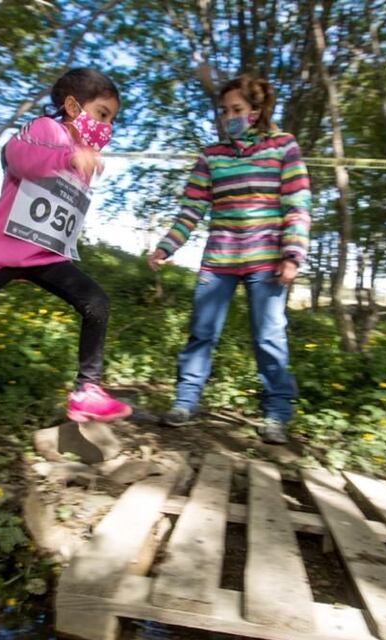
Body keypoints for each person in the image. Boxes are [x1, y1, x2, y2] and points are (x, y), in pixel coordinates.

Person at [0, 68, 131, 424]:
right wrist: (67, 158)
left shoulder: (84, 155)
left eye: (112, 120)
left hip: (44, 257)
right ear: (72, 107)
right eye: (102, 114)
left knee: (96, 302)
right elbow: (18, 158)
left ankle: (87, 390)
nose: (107, 127)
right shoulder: (45, 129)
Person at [147, 74, 312, 444]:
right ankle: (185, 402)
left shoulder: (284, 146)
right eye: (224, 111)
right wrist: (166, 246)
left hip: (267, 262)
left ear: (257, 110)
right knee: (201, 332)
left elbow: (297, 205)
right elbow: (191, 209)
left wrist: (292, 255)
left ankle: (277, 414)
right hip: (219, 260)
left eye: (237, 109)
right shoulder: (211, 156)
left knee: (269, 337)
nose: (229, 117)